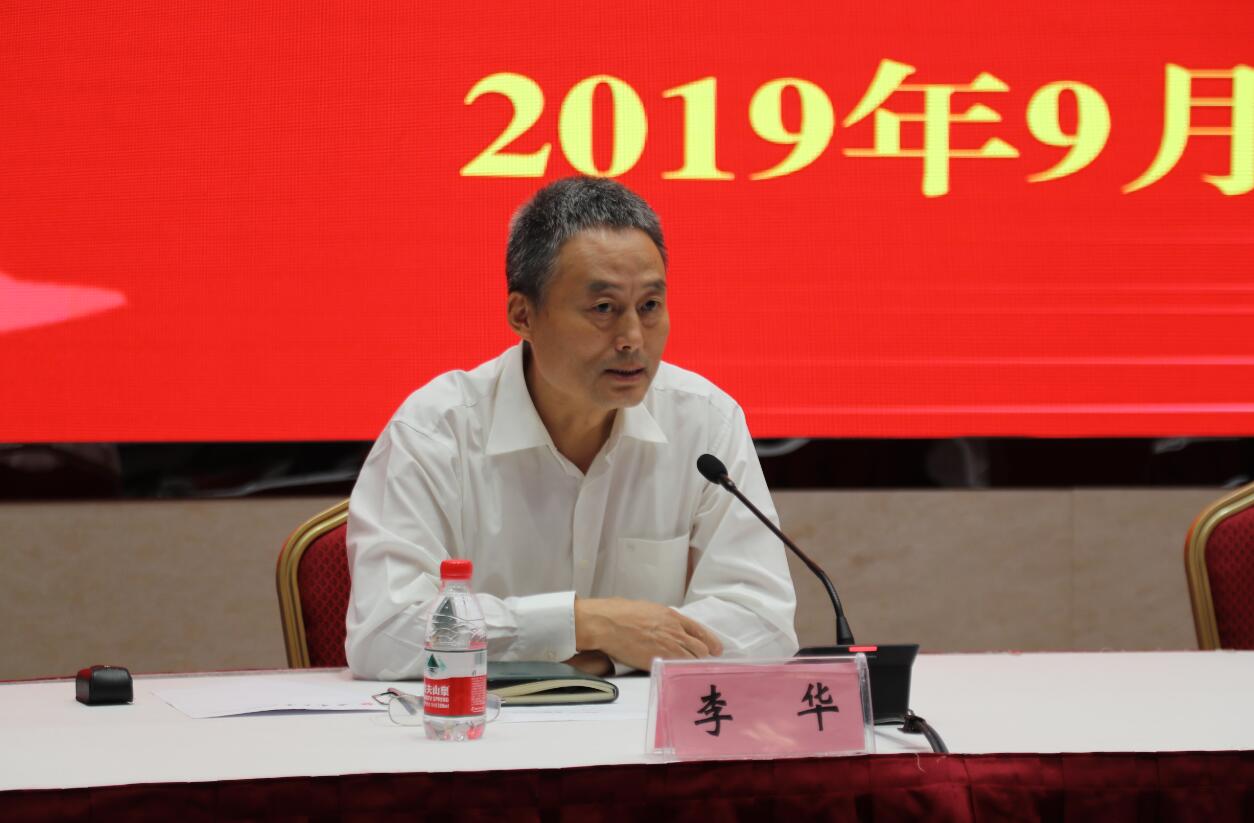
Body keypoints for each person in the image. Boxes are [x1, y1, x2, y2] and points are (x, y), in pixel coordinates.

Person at [346, 177, 797, 679]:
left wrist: (603, 657)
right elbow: (385, 635)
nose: (632, 338)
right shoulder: (436, 432)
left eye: (649, 306)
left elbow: (763, 621)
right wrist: (584, 623)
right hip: (486, 724)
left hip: (643, 727)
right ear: (523, 315)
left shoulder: (705, 421)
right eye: (603, 309)